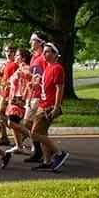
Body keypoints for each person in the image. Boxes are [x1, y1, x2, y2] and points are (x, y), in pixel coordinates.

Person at [29, 43, 70, 172]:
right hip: (42, 104)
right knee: (42, 134)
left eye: (47, 52)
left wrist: (56, 107)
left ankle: (59, 153)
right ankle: (47, 161)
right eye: (44, 52)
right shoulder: (47, 67)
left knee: (35, 134)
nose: (44, 54)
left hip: (49, 106)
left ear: (54, 54)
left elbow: (60, 89)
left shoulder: (57, 68)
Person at [24, 33, 48, 163]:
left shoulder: (43, 57)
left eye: (32, 40)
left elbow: (45, 75)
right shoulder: (33, 58)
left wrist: (37, 82)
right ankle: (41, 150)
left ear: (40, 42)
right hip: (31, 94)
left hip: (39, 95)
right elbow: (35, 75)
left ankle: (42, 151)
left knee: (32, 125)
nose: (30, 42)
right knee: (29, 124)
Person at [6, 48, 35, 154]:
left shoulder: (25, 67)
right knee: (14, 122)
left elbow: (30, 77)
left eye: (17, 55)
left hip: (19, 100)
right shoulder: (18, 68)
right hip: (13, 99)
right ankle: (19, 145)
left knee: (12, 122)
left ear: (23, 58)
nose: (15, 57)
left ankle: (36, 139)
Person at [0, 43, 20, 146]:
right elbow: (3, 75)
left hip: (9, 92)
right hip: (2, 91)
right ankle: (3, 136)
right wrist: (0, 74)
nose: (8, 53)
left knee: (2, 112)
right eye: (7, 51)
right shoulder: (6, 63)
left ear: (15, 53)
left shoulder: (15, 64)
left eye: (11, 51)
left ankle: (19, 130)